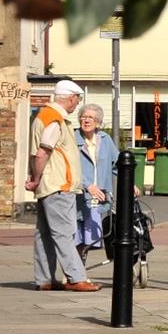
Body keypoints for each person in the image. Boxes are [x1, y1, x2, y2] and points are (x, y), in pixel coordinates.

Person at [26, 80, 101, 292]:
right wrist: (35, 178)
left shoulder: (44, 116)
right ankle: (76, 278)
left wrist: (36, 178)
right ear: (71, 98)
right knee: (64, 233)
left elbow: (39, 152)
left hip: (49, 184)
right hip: (59, 184)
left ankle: (45, 279)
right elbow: (43, 151)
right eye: (77, 99)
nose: (77, 104)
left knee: (45, 234)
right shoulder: (55, 119)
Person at [74, 103, 119, 265]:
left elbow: (118, 164)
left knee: (90, 238)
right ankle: (74, 273)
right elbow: (69, 167)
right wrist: (87, 185)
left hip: (97, 198)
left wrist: (130, 182)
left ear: (98, 122)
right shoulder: (73, 138)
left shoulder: (105, 140)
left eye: (90, 118)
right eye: (83, 117)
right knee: (76, 236)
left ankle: (77, 271)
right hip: (77, 196)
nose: (86, 120)